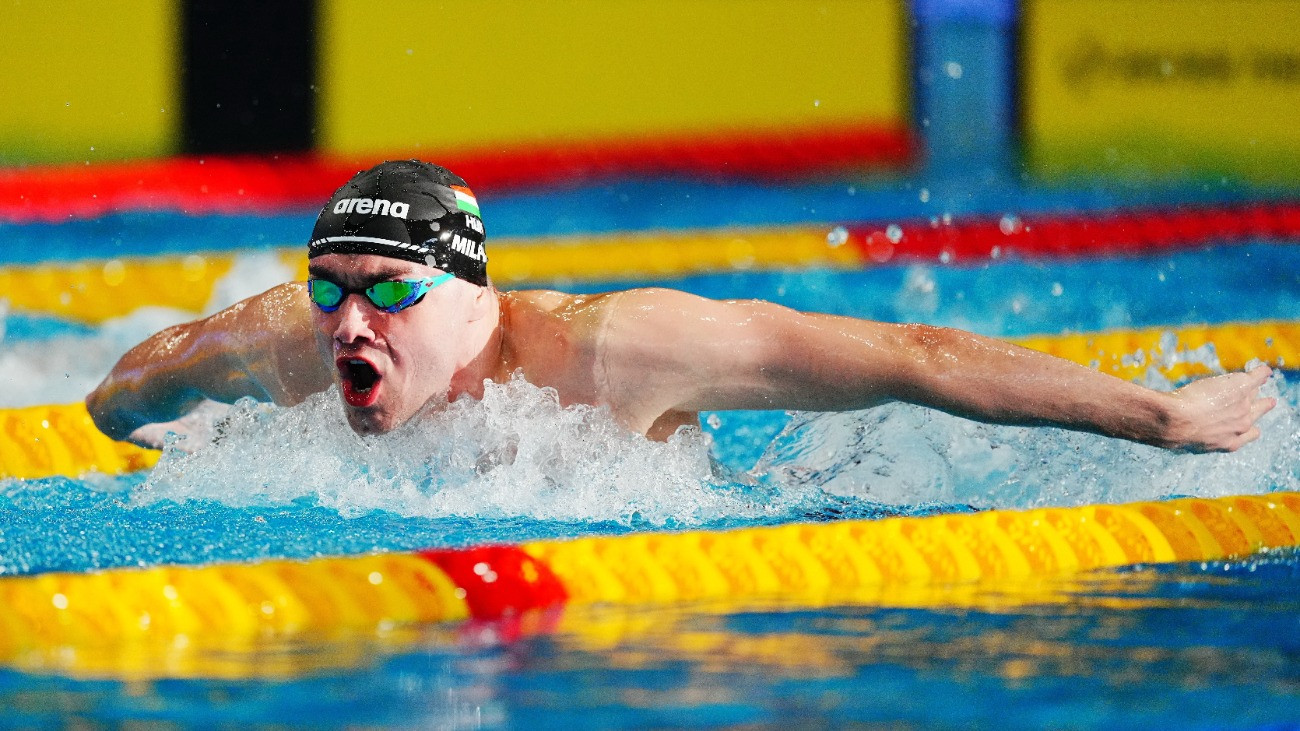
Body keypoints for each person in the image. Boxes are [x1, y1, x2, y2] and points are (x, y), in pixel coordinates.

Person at [86, 160, 1276, 453]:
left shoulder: (616, 348)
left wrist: (1160, 415)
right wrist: (154, 435)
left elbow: (911, 353)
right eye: (330, 287)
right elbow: (126, 388)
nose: (350, 320)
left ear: (471, 291)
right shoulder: (288, 342)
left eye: (390, 288)